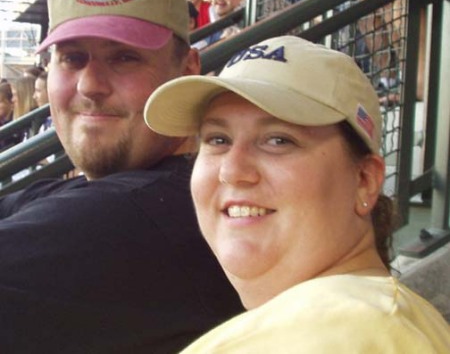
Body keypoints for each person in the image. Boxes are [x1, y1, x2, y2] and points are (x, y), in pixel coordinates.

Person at [144, 35, 450, 353]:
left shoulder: (342, 333)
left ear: (364, 180)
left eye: (278, 140)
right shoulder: (375, 320)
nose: (231, 170)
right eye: (218, 139)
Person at [0, 0, 243, 354]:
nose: (90, 84)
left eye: (125, 57)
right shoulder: (78, 196)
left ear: (187, 71)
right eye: (72, 58)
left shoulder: (154, 213)